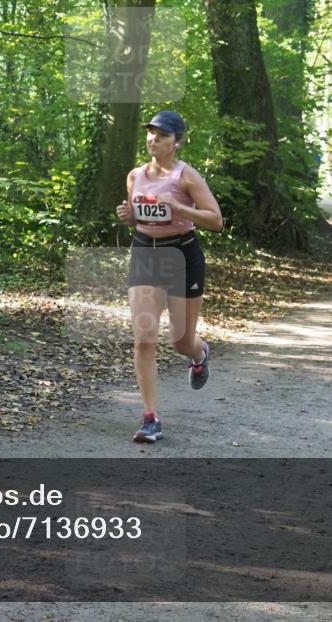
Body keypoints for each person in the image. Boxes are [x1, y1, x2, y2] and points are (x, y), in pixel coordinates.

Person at [115, 111, 223, 444]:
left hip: (182, 255)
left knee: (179, 340)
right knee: (144, 337)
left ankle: (198, 353)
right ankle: (150, 417)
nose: (153, 139)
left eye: (161, 135)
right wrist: (128, 216)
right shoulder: (135, 176)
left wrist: (180, 208)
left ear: (176, 142)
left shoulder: (186, 176)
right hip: (146, 252)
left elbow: (215, 220)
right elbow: (138, 218)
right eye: (150, 133)